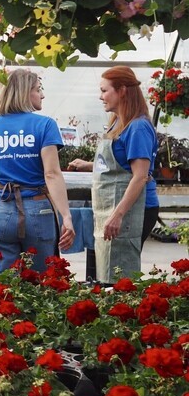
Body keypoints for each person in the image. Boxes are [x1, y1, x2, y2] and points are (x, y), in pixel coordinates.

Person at [0, 69, 75, 278]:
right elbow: (52, 174)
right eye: (38, 90)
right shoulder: (45, 125)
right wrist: (66, 216)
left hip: (1, 210)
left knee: (0, 284)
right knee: (42, 282)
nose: (42, 95)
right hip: (39, 210)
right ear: (24, 93)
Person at [68, 66, 158, 282]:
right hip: (114, 206)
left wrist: (117, 215)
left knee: (120, 273)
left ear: (122, 90)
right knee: (108, 269)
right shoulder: (119, 122)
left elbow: (140, 176)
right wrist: (90, 165)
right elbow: (122, 164)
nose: (101, 97)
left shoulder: (138, 128)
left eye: (104, 91)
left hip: (134, 209)